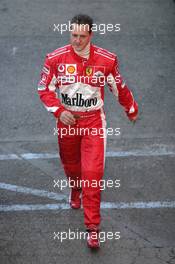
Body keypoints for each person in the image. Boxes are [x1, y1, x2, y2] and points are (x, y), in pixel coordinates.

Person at [38, 14, 138, 249]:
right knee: (72, 168)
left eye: (83, 36)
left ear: (91, 35)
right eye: (74, 35)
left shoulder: (107, 60)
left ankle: (92, 228)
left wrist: (131, 108)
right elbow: (44, 88)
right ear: (69, 33)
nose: (77, 41)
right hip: (67, 122)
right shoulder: (55, 58)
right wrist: (58, 111)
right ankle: (75, 189)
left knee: (92, 174)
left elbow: (119, 88)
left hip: (94, 122)